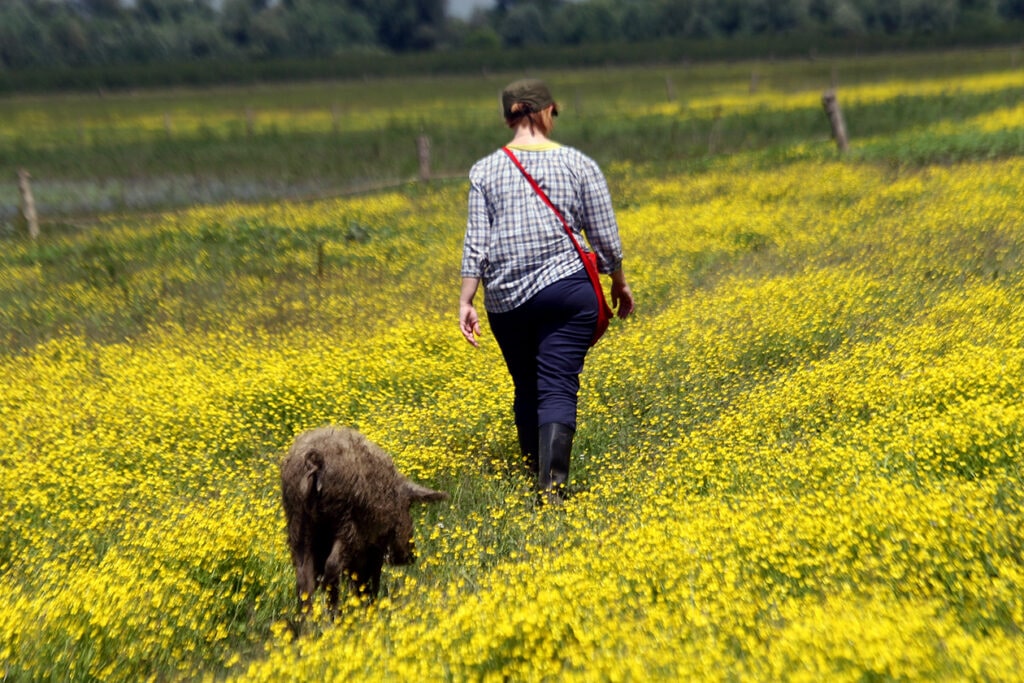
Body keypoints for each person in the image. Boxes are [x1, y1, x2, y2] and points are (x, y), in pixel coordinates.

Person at [459, 78, 635, 501]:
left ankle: (531, 479)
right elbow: (605, 235)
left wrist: (465, 299)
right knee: (556, 384)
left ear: (508, 118)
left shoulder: (484, 171)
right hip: (565, 291)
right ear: (544, 111)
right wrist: (619, 282)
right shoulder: (578, 164)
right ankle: (551, 490)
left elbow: (475, 243)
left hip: (506, 298)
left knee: (526, 385)